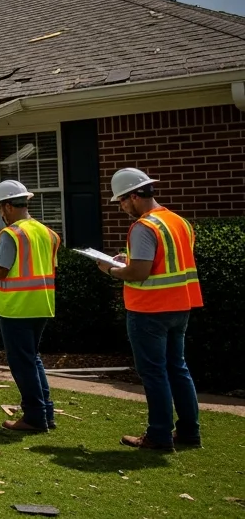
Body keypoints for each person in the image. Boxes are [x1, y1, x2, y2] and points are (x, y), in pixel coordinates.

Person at [99, 168, 202, 451]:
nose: (121, 207)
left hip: (149, 309)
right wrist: (128, 258)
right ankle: (190, 432)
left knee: (154, 372)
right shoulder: (178, 221)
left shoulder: (144, 226)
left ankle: (158, 434)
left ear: (134, 196)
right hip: (180, 305)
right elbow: (164, 261)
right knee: (177, 368)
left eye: (121, 201)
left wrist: (110, 269)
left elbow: (139, 272)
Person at [0, 180, 59, 433]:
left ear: (7, 206)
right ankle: (45, 413)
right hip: (42, 304)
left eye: (0, 208)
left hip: (16, 307)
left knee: (22, 363)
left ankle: (34, 417)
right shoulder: (48, 233)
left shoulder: (11, 234)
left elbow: (0, 270)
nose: (1, 214)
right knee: (33, 359)